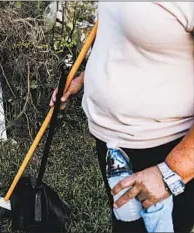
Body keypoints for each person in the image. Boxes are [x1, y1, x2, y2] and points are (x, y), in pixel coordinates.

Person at [50, 2, 194, 233]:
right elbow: (128, 38)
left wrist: (172, 172)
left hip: (162, 149)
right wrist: (87, 78)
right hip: (112, 143)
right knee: (126, 225)